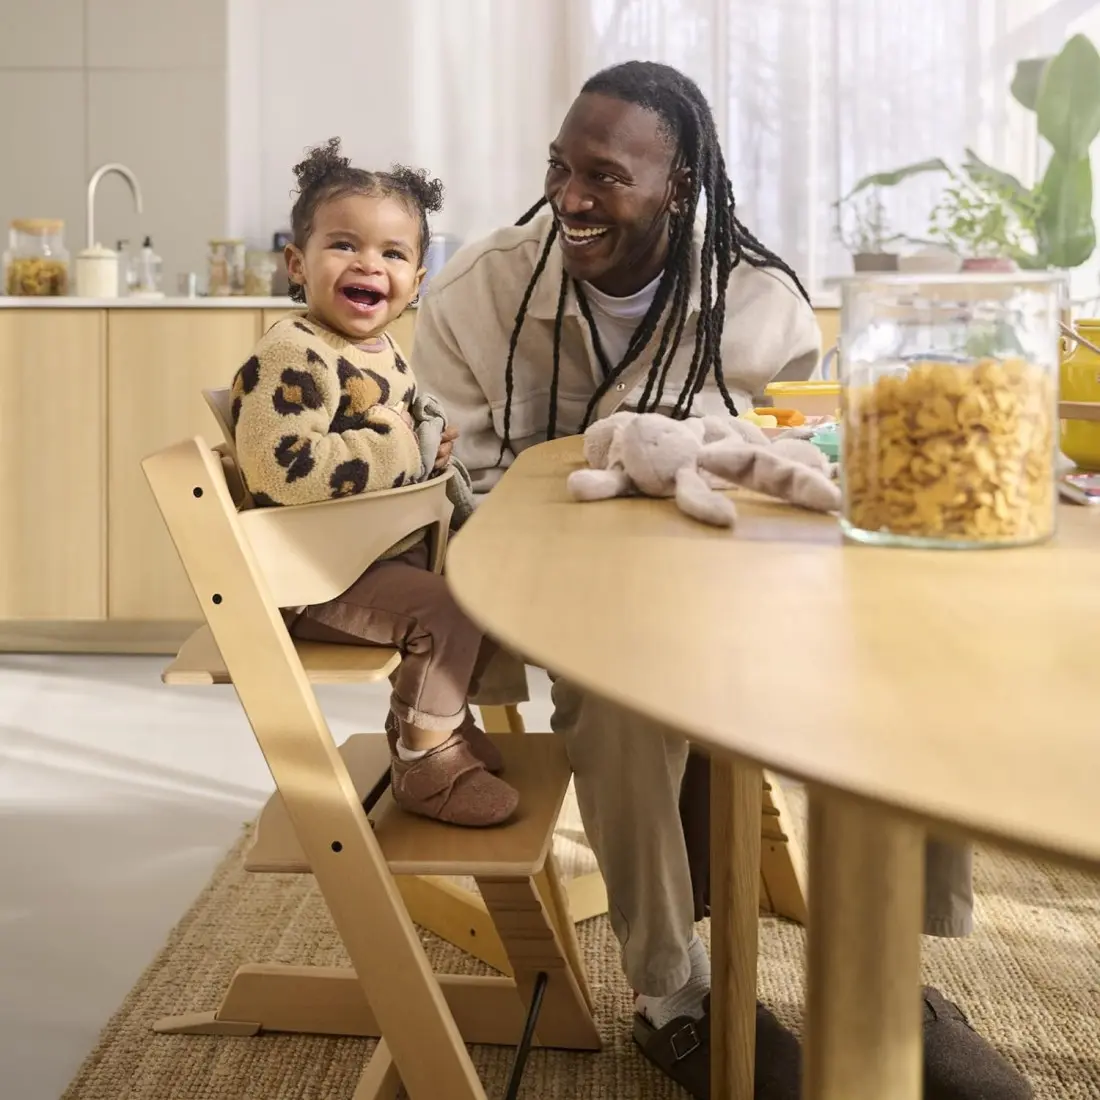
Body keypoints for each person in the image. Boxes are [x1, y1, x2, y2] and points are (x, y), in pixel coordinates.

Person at [411, 61, 1032, 1100]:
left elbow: (800, 462)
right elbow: (463, 491)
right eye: (560, 168)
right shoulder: (480, 291)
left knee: (904, 648)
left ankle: (887, 973)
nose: (569, 197)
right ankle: (675, 996)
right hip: (555, 595)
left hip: (740, 588)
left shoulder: (756, 301)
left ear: (681, 186)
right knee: (616, 688)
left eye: (604, 177)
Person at [230, 138, 519, 829]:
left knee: (492, 579)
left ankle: (436, 716)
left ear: (416, 280)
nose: (368, 264)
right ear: (297, 264)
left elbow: (388, 443)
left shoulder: (379, 349)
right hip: (314, 577)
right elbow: (283, 468)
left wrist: (426, 451)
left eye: (392, 253)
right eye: (344, 245)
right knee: (447, 609)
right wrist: (400, 445)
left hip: (363, 556)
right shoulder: (293, 353)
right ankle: (424, 759)